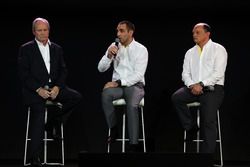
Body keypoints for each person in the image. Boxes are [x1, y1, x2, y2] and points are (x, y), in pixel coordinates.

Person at [18, 17, 82, 167]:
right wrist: (38, 89)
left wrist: (58, 87)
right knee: (39, 115)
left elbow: (63, 70)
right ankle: (35, 158)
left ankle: (53, 123)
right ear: (34, 32)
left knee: (76, 97)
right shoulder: (26, 48)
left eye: (45, 30)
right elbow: (23, 74)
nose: (42, 33)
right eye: (39, 30)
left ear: (49, 30)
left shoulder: (56, 48)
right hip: (34, 91)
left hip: (54, 89)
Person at [171, 23, 228, 154]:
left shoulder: (218, 49)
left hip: (213, 88)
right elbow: (185, 74)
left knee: (208, 119)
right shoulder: (190, 52)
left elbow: (218, 73)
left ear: (207, 34)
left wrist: (201, 84)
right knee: (176, 97)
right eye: (193, 33)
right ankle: (191, 127)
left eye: (198, 32)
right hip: (193, 88)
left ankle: (206, 157)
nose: (194, 35)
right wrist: (192, 85)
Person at [98, 20, 148, 152]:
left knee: (131, 104)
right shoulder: (114, 46)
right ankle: (114, 129)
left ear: (130, 32)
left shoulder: (141, 49)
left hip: (135, 86)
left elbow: (138, 75)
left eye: (121, 31)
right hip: (119, 88)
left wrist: (118, 82)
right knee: (106, 94)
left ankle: (133, 144)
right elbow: (101, 68)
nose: (118, 34)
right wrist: (109, 55)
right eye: (117, 31)